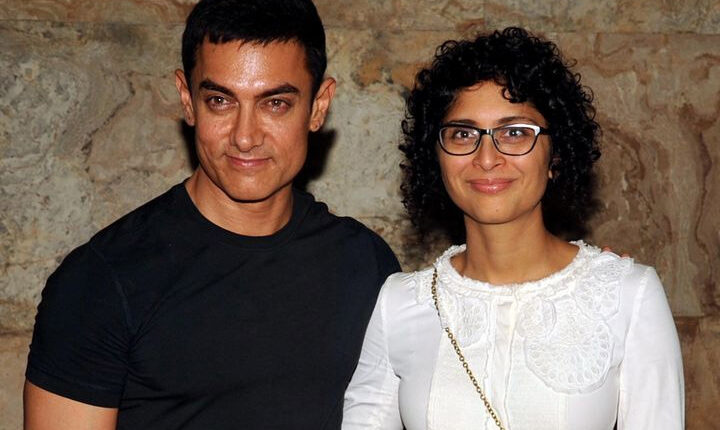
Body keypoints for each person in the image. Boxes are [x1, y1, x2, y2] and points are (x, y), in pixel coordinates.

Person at [24, 0, 400, 428]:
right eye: (220, 101)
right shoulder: (101, 281)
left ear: (318, 107)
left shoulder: (365, 264)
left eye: (275, 103)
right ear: (188, 101)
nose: (245, 137)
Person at [342, 27, 684, 429]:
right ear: (436, 156)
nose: (487, 158)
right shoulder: (399, 303)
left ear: (556, 155)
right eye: (463, 133)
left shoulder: (629, 295)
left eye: (515, 132)